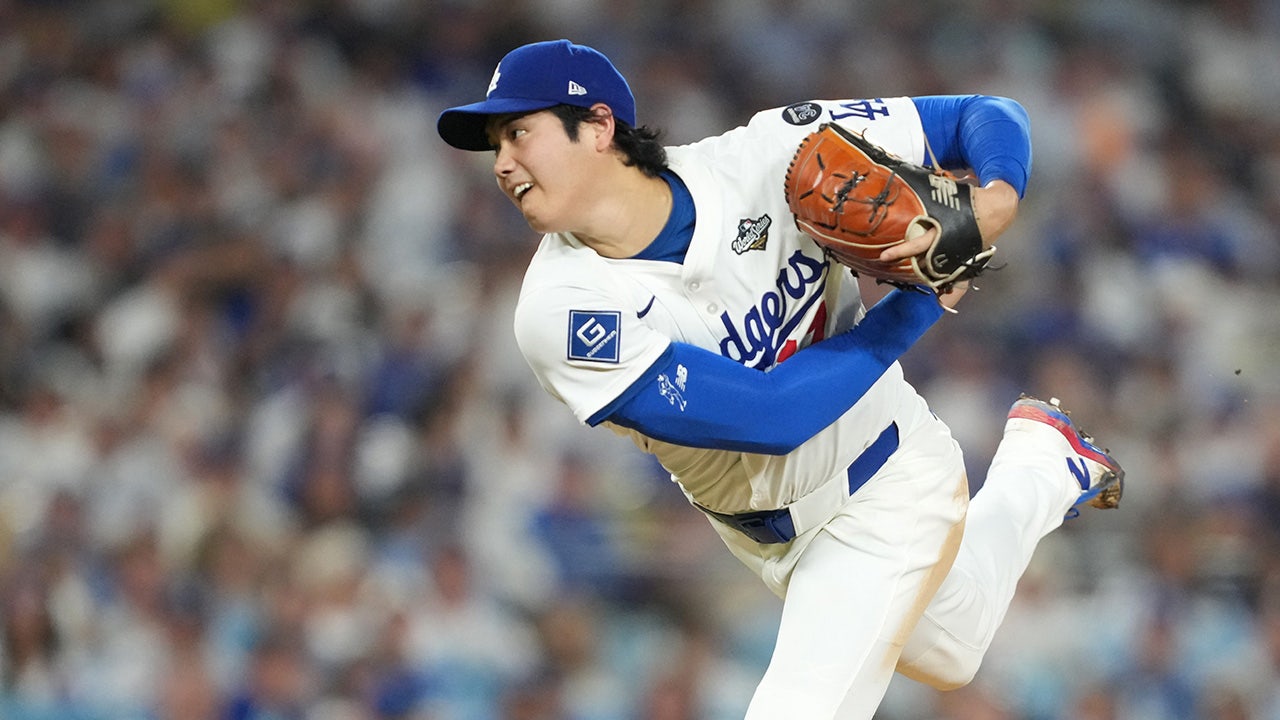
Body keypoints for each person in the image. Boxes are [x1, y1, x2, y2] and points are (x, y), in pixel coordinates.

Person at [436, 39, 1124, 720]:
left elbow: (984, 114)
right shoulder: (558, 310)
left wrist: (997, 199)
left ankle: (1039, 465)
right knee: (955, 650)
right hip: (767, 536)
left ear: (597, 126)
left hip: (885, 475)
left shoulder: (769, 156)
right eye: (495, 146)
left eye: (518, 133)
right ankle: (1043, 462)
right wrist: (919, 300)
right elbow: (770, 418)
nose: (502, 164)